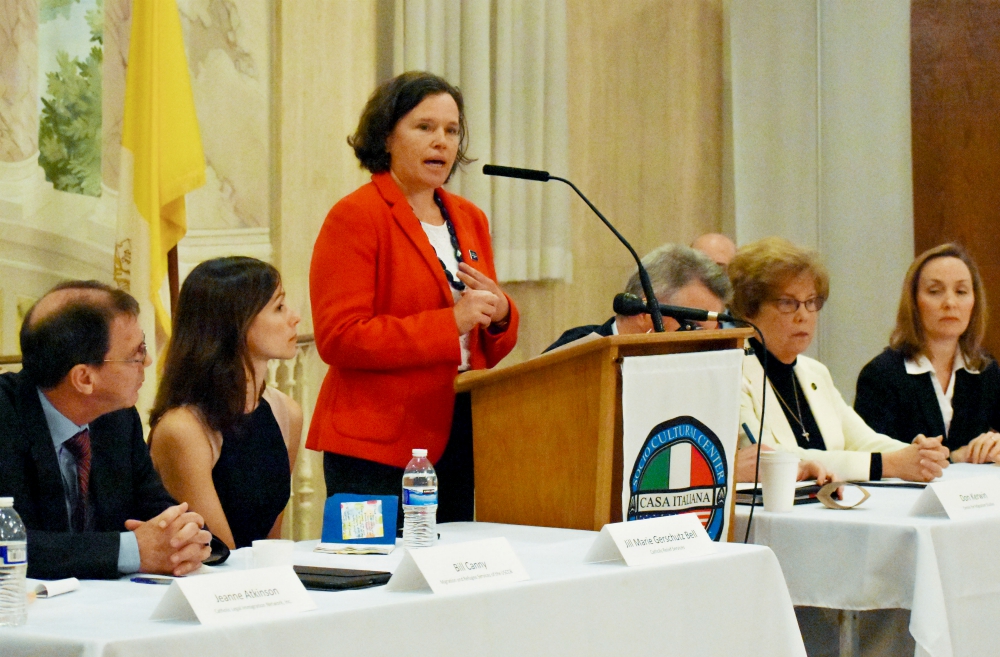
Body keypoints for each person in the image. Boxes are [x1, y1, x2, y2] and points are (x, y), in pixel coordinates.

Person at [307, 71, 518, 523]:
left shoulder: (469, 218)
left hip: (461, 432)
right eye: (424, 128)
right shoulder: (355, 217)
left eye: (451, 130)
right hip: (375, 446)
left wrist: (500, 314)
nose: (441, 142)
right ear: (386, 136)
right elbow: (340, 338)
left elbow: (483, 332)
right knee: (373, 580)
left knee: (448, 578)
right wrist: (452, 322)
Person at [0, 281, 216, 580]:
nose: (148, 362)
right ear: (84, 378)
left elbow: (157, 508)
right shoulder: (6, 417)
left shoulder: (116, 418)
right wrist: (130, 551)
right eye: (136, 353)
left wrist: (187, 538)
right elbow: (9, 544)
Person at [730, 237, 950, 481]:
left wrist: (919, 454)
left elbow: (862, 440)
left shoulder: (815, 372)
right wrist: (886, 464)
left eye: (811, 302)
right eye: (787, 303)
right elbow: (770, 458)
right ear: (750, 309)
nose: (803, 315)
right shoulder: (734, 371)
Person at [148, 258, 303, 549]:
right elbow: (217, 551)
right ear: (236, 323)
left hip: (252, 581)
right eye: (279, 307)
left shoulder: (286, 413)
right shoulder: (184, 429)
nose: (294, 318)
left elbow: (269, 544)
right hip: (201, 582)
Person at [855, 243, 1000, 464]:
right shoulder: (881, 376)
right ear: (914, 303)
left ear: (974, 302)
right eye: (935, 291)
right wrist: (954, 457)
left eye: (961, 292)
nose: (950, 303)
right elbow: (874, 462)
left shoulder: (985, 370)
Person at [545, 243, 729, 352]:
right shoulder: (575, 354)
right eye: (693, 328)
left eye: (715, 330)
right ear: (645, 313)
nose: (707, 346)